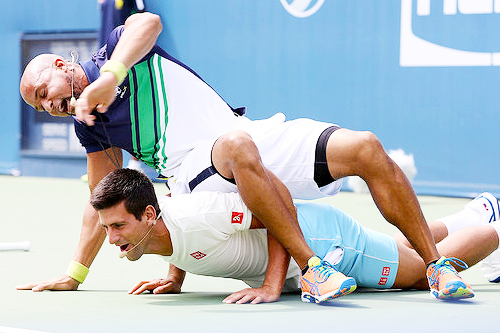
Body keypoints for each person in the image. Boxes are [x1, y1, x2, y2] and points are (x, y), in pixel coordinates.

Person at [18, 12, 467, 298]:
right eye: (42, 107)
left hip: (242, 133)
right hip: (192, 171)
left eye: (46, 93)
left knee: (366, 147)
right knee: (235, 149)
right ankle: (313, 268)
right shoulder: (89, 125)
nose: (50, 106)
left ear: (61, 65)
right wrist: (75, 273)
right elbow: (100, 198)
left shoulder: (120, 49)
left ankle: (438, 264)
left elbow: (148, 22)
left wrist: (111, 75)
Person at [91, 169, 499, 303]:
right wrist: (175, 276)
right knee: (403, 245)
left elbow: (274, 214)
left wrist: (271, 284)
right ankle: (475, 213)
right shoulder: (161, 225)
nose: (111, 239)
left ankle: (493, 232)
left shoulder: (200, 213)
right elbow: (180, 238)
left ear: (147, 214)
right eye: (107, 228)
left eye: (118, 227)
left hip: (322, 243)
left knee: (418, 271)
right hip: (318, 236)